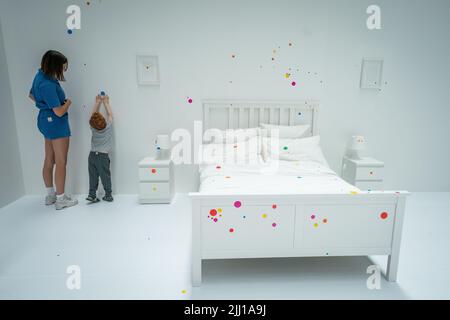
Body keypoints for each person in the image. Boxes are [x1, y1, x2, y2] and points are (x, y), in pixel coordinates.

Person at [29, 50, 78, 210]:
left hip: (44, 120)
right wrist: (68, 103)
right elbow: (59, 112)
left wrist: (44, 105)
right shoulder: (48, 84)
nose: (63, 71)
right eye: (63, 68)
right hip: (56, 123)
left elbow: (31, 95)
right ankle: (61, 199)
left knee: (49, 159)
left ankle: (50, 195)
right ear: (55, 66)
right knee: (61, 161)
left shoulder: (39, 76)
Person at [86, 94, 114, 203]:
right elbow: (110, 114)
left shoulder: (93, 128)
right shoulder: (108, 127)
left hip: (92, 155)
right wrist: (106, 102)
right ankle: (108, 195)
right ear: (104, 120)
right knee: (105, 176)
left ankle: (92, 194)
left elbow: (93, 115)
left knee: (92, 176)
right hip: (103, 156)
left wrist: (97, 102)